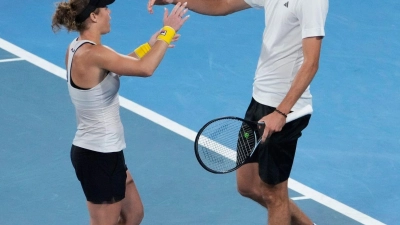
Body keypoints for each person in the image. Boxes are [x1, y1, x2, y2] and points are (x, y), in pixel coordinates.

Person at [148, 0, 328, 224]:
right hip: (260, 99)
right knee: (248, 186)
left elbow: (311, 63)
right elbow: (222, 4)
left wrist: (281, 112)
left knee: (274, 194)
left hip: (286, 110)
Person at [51, 0, 189, 224]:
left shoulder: (79, 48)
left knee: (133, 214)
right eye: (105, 8)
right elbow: (145, 68)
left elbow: (117, 67)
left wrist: (150, 44)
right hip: (97, 155)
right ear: (94, 17)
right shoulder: (94, 54)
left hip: (107, 152)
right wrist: (168, 30)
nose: (110, 12)